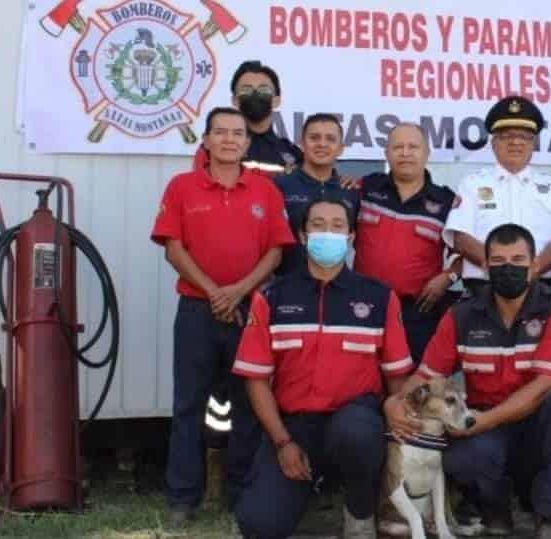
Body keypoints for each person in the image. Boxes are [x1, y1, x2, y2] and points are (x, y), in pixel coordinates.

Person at [386, 224, 551, 539]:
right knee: (462, 458)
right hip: (485, 423)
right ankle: (495, 508)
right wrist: (394, 404)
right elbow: (427, 375)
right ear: (485, 265)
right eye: (498, 260)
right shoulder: (462, 315)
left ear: (535, 266)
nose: (508, 268)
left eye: (518, 259)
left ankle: (549, 515)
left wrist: (486, 421)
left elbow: (544, 385)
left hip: (535, 422)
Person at [231, 196, 414, 539]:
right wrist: (283, 443)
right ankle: (311, 485)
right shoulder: (272, 297)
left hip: (355, 421)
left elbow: (397, 375)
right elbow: (255, 380)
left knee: (357, 432)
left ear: (350, 236)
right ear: (302, 236)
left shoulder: (377, 297)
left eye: (337, 226)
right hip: (294, 426)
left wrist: (395, 413)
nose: (327, 233)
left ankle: (359, 512)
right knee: (260, 525)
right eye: (317, 225)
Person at [150, 107, 295, 525]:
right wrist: (214, 291)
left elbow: (276, 249)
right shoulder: (182, 186)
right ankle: (182, 498)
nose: (230, 139)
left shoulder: (265, 191)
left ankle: (241, 493)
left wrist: (237, 291)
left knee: (249, 405)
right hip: (197, 310)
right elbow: (172, 247)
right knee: (188, 405)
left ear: (248, 144)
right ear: (207, 140)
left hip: (248, 311)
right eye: (221, 132)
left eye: (238, 133)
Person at [444, 96, 551, 296]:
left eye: (524, 136)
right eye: (506, 135)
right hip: (484, 290)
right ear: (493, 142)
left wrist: (532, 269)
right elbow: (460, 237)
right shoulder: (472, 183)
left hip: (538, 289)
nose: (516, 142)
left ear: (534, 143)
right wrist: (500, 271)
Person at [354, 123, 461, 363]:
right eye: (397, 147)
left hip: (417, 312)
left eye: (413, 146)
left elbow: (466, 253)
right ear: (386, 153)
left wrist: (448, 277)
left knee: (412, 385)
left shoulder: (447, 202)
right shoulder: (365, 188)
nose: (405, 153)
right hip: (363, 305)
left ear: (426, 153)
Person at [274, 113, 361, 275]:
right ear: (302, 144)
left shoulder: (351, 191)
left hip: (337, 290)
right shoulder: (280, 186)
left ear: (341, 148)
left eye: (330, 139)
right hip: (288, 288)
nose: (322, 144)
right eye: (314, 137)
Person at [192, 61, 303, 174]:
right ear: (235, 100)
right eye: (246, 90)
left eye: (264, 90)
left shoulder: (293, 154)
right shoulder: (213, 148)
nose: (255, 95)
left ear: (276, 100)